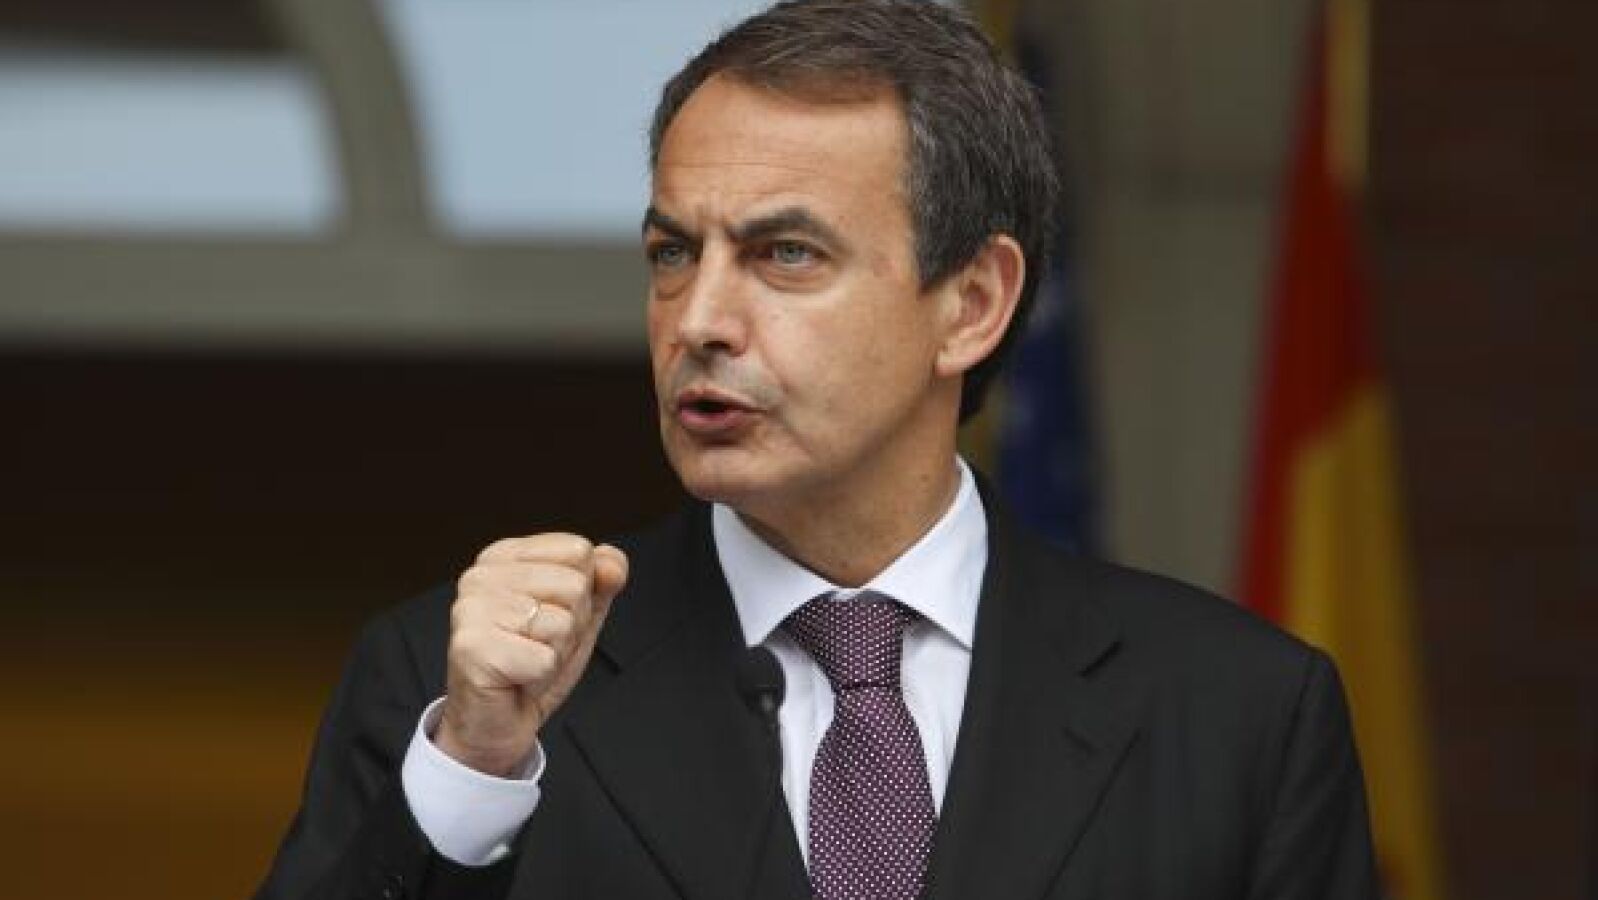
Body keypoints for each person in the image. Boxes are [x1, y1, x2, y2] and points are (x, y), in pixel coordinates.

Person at [257, 1, 1378, 898]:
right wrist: (470, 779)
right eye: (672, 254)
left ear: (972, 303)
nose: (698, 320)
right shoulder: (455, 693)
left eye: (784, 255)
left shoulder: (1238, 715)